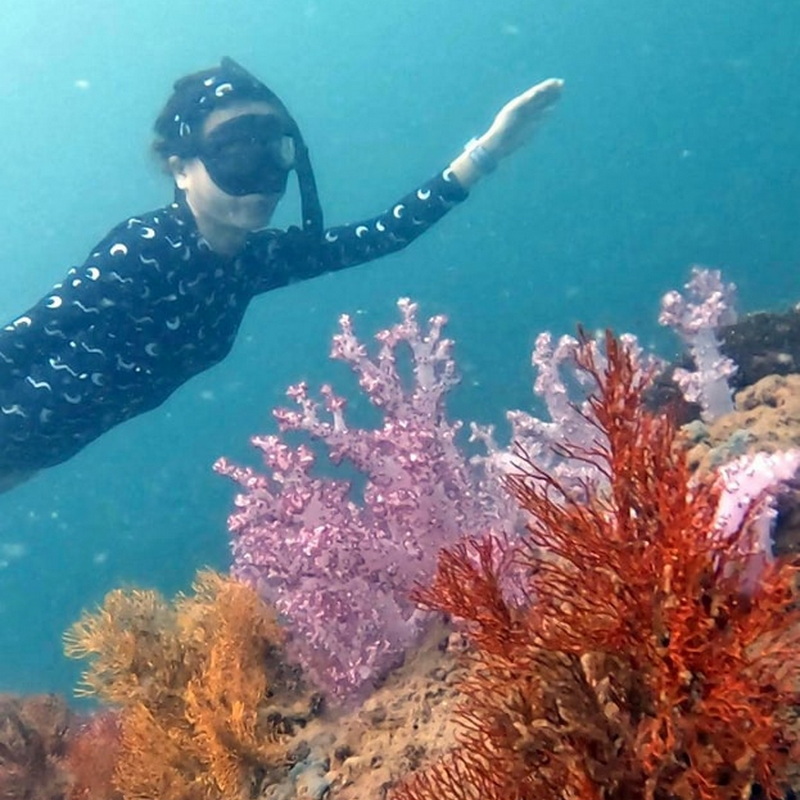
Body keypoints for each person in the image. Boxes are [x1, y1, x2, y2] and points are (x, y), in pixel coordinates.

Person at [0, 58, 563, 492]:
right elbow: (19, 344)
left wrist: (487, 152)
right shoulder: (146, 249)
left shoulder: (251, 262)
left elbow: (384, 234)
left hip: (28, 461)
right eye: (238, 157)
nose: (264, 178)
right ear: (181, 168)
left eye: (276, 154)